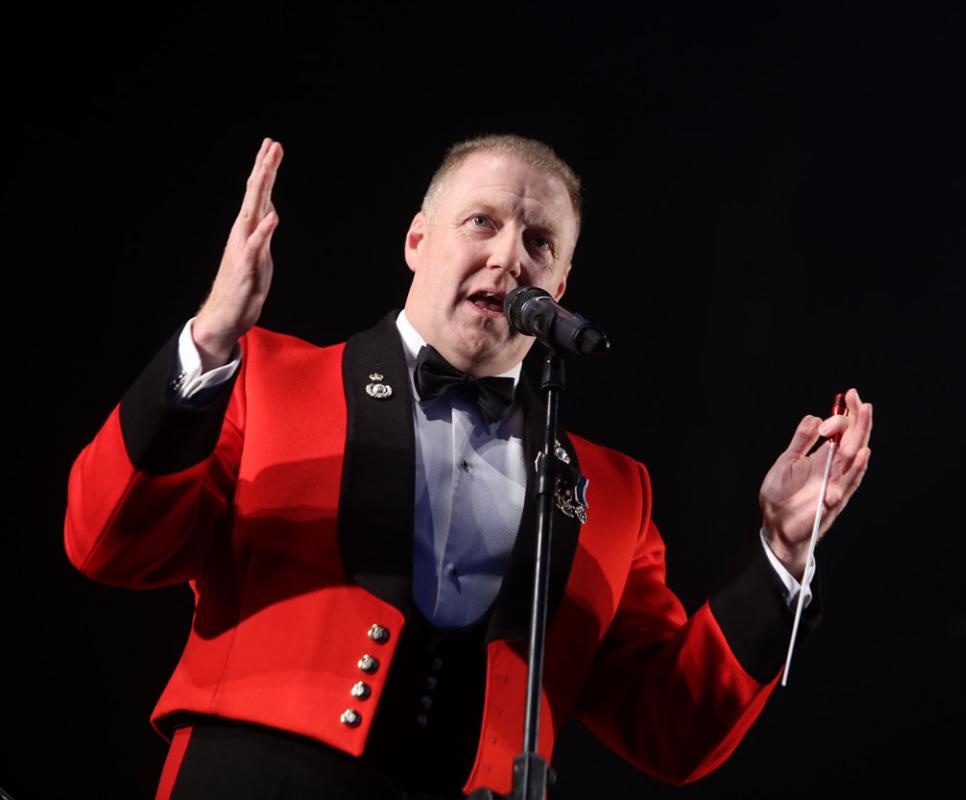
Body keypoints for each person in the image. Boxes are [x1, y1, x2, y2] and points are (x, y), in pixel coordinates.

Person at [64, 135, 873, 799]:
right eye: (481, 222)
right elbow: (108, 545)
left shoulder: (614, 492)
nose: (509, 257)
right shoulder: (268, 378)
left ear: (559, 285)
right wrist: (208, 343)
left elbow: (673, 727)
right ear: (418, 241)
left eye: (539, 242)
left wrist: (782, 554)